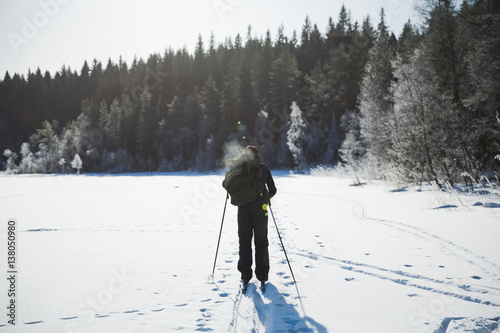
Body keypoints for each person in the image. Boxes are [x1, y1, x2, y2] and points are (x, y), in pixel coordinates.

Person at [223, 145, 277, 286]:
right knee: (261, 242)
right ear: (256, 154)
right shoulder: (263, 168)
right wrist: (265, 198)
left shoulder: (238, 168)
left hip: (243, 210)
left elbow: (225, 185)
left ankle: (245, 275)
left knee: (244, 242)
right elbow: (273, 189)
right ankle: (263, 276)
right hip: (261, 210)